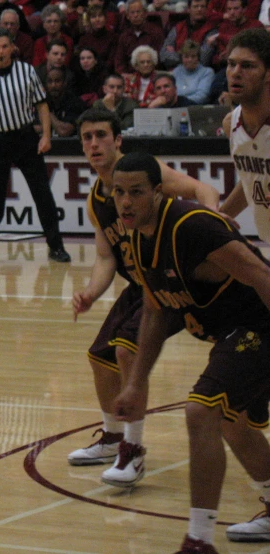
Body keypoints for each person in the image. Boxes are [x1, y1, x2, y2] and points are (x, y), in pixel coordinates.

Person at [111, 150, 270, 554]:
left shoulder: (192, 226)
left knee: (202, 410)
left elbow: (260, 274)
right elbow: (154, 310)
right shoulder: (138, 236)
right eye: (118, 193)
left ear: (159, 193)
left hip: (259, 326)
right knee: (233, 424)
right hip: (230, 334)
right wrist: (135, 384)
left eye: (136, 192)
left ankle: (198, 541)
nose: (126, 202)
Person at [70, 108, 219, 487]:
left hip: (171, 278)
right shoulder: (97, 200)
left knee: (126, 351)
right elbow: (106, 257)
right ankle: (113, 437)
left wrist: (211, 229)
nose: (93, 144)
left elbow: (204, 190)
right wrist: (90, 292)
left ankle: (132, 454)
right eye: (86, 138)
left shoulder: (143, 171)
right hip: (140, 284)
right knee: (100, 357)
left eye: (101, 135)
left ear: (117, 139)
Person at [217, 26, 270, 545]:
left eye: (247, 65)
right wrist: (216, 218)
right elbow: (248, 185)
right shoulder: (233, 122)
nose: (235, 72)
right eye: (232, 64)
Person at [0, 28, 70, 266]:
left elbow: (42, 105)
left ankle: (56, 246)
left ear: (12, 48)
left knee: (42, 193)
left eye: (5, 46)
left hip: (25, 137)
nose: (1, 51)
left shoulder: (27, 71)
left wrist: (46, 135)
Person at [159, 0, 220, 69]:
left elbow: (203, 61)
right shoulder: (178, 28)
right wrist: (191, 58)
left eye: (202, 6)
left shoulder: (212, 30)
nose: (199, 9)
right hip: (175, 73)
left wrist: (176, 55)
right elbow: (163, 55)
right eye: (195, 6)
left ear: (206, 9)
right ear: (188, 9)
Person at [113, 0, 164, 75]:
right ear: (127, 16)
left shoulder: (156, 32)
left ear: (145, 13)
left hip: (152, 75)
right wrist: (125, 75)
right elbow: (119, 62)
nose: (135, 15)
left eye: (138, 12)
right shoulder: (124, 36)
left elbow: (159, 59)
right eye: (132, 13)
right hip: (130, 76)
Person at [41, 67, 86, 137]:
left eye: (57, 81)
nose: (53, 85)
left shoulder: (75, 102)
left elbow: (64, 131)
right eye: (50, 81)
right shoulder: (43, 101)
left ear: (65, 83)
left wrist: (47, 112)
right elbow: (34, 128)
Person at [172, 39, 215, 104]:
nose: (190, 60)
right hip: (176, 108)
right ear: (181, 58)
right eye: (186, 57)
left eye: (193, 56)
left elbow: (202, 96)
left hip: (197, 108)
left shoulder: (207, 72)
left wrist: (179, 101)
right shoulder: (176, 72)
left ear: (198, 57)